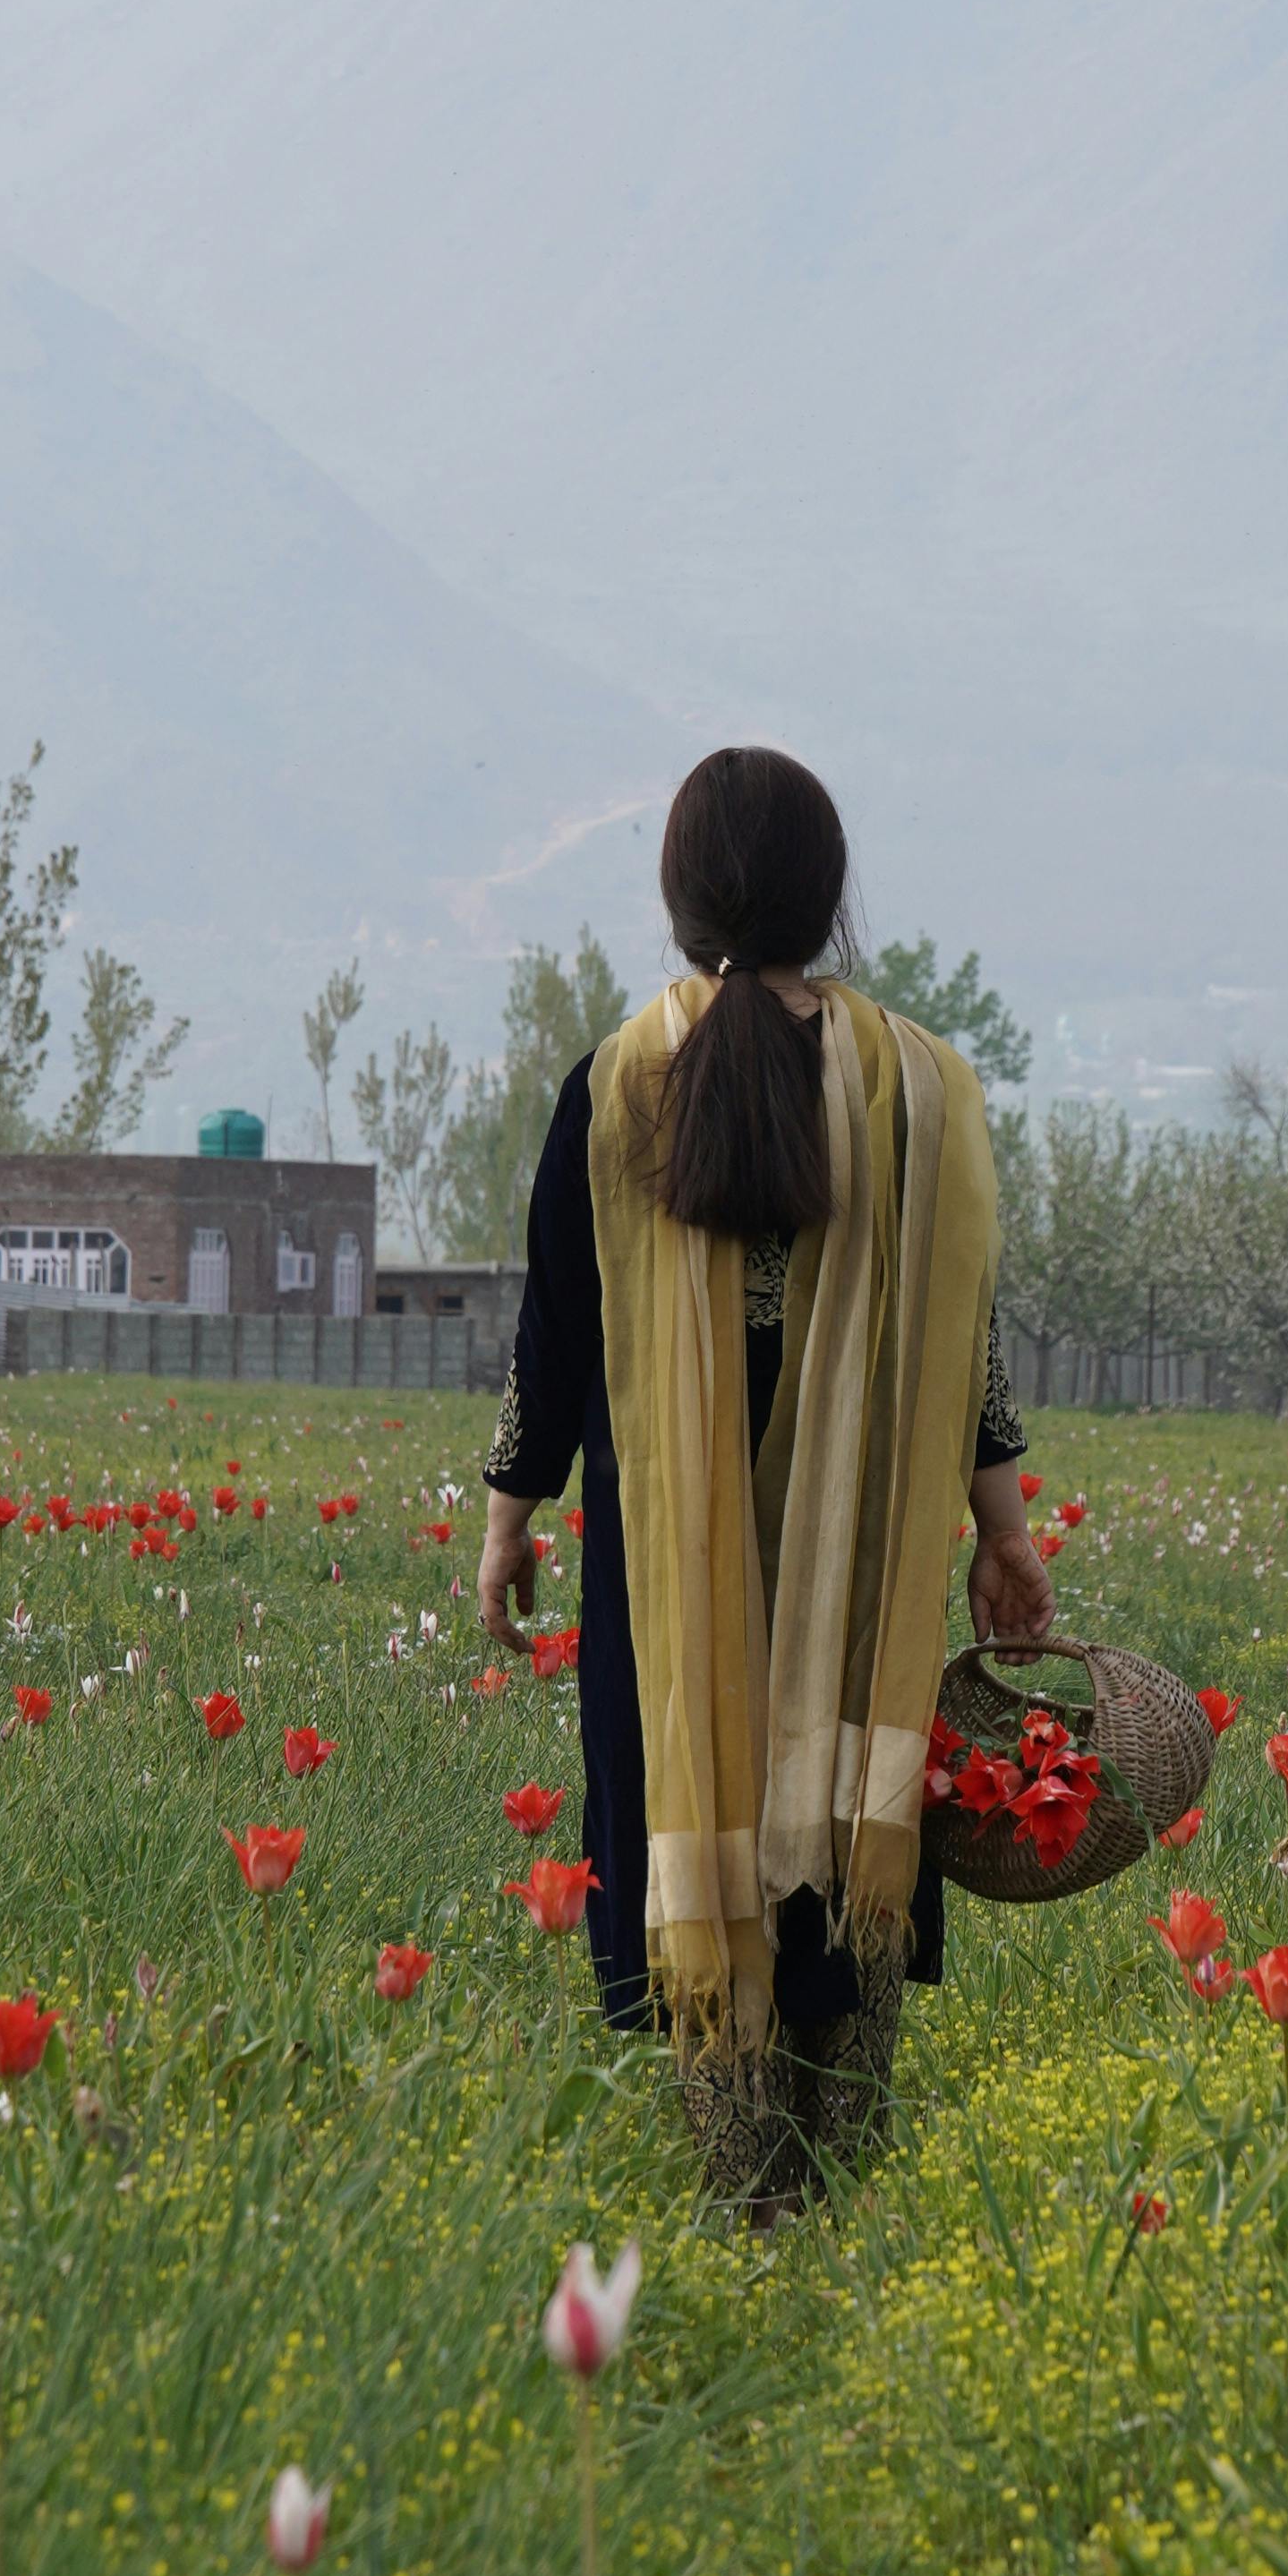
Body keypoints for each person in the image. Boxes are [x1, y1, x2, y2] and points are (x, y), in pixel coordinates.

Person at [476, 744, 1051, 2208]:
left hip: (674, 1579)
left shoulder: (615, 1086)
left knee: (696, 1798)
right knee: (857, 1789)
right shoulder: (920, 1089)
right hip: (861, 1560)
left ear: (680, 895)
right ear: (828, 891)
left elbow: (557, 1334)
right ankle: (843, 2179)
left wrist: (508, 1520)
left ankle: (738, 2187)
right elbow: (961, 1328)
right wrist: (1006, 1529)